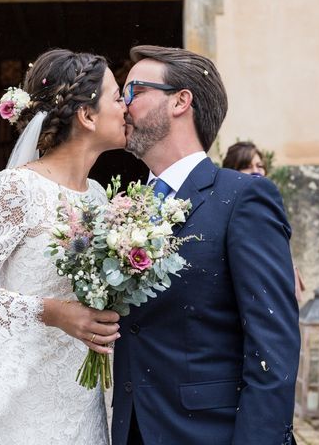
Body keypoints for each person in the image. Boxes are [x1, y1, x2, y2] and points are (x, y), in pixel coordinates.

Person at [0, 49, 125, 444]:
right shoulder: (16, 188)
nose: (126, 107)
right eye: (117, 96)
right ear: (87, 116)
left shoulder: (101, 196)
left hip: (84, 400)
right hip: (26, 405)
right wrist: (50, 312)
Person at [113, 45, 300, 445]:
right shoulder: (126, 210)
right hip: (133, 429)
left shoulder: (243, 198)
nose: (121, 105)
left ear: (181, 101)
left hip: (209, 433)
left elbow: (273, 346)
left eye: (132, 91)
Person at [223, 140, 306, 301]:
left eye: (260, 166)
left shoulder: (269, 202)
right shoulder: (226, 210)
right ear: (232, 171)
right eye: (247, 166)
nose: (256, 172)